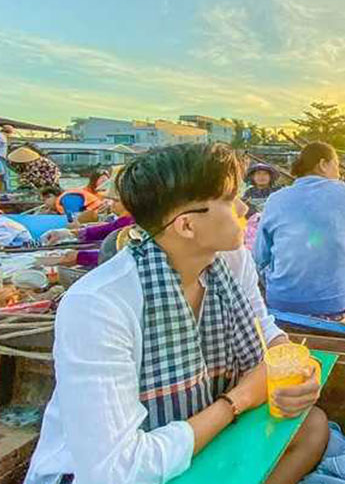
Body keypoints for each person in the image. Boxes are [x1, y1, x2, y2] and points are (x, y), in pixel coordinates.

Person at [24, 142, 328, 484]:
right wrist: (239, 399)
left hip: (202, 424)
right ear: (186, 226)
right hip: (115, 470)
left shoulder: (230, 260)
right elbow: (113, 471)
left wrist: (301, 371)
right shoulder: (98, 304)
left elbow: (266, 330)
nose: (243, 206)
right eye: (228, 199)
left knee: (313, 427)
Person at [254, 142, 345, 319]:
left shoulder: (275, 199)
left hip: (281, 300)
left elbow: (259, 256)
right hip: (334, 302)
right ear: (323, 165)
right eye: (336, 165)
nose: (339, 173)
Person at [39, 173, 135, 267]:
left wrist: (78, 256)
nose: (111, 204)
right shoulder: (127, 219)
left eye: (116, 201)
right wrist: (70, 233)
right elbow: (110, 228)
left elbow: (119, 256)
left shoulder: (67, 198)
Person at [40, 169, 107, 221]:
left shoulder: (67, 198)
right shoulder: (65, 199)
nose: (45, 203)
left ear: (51, 196)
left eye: (45, 200)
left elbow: (73, 216)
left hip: (99, 215)